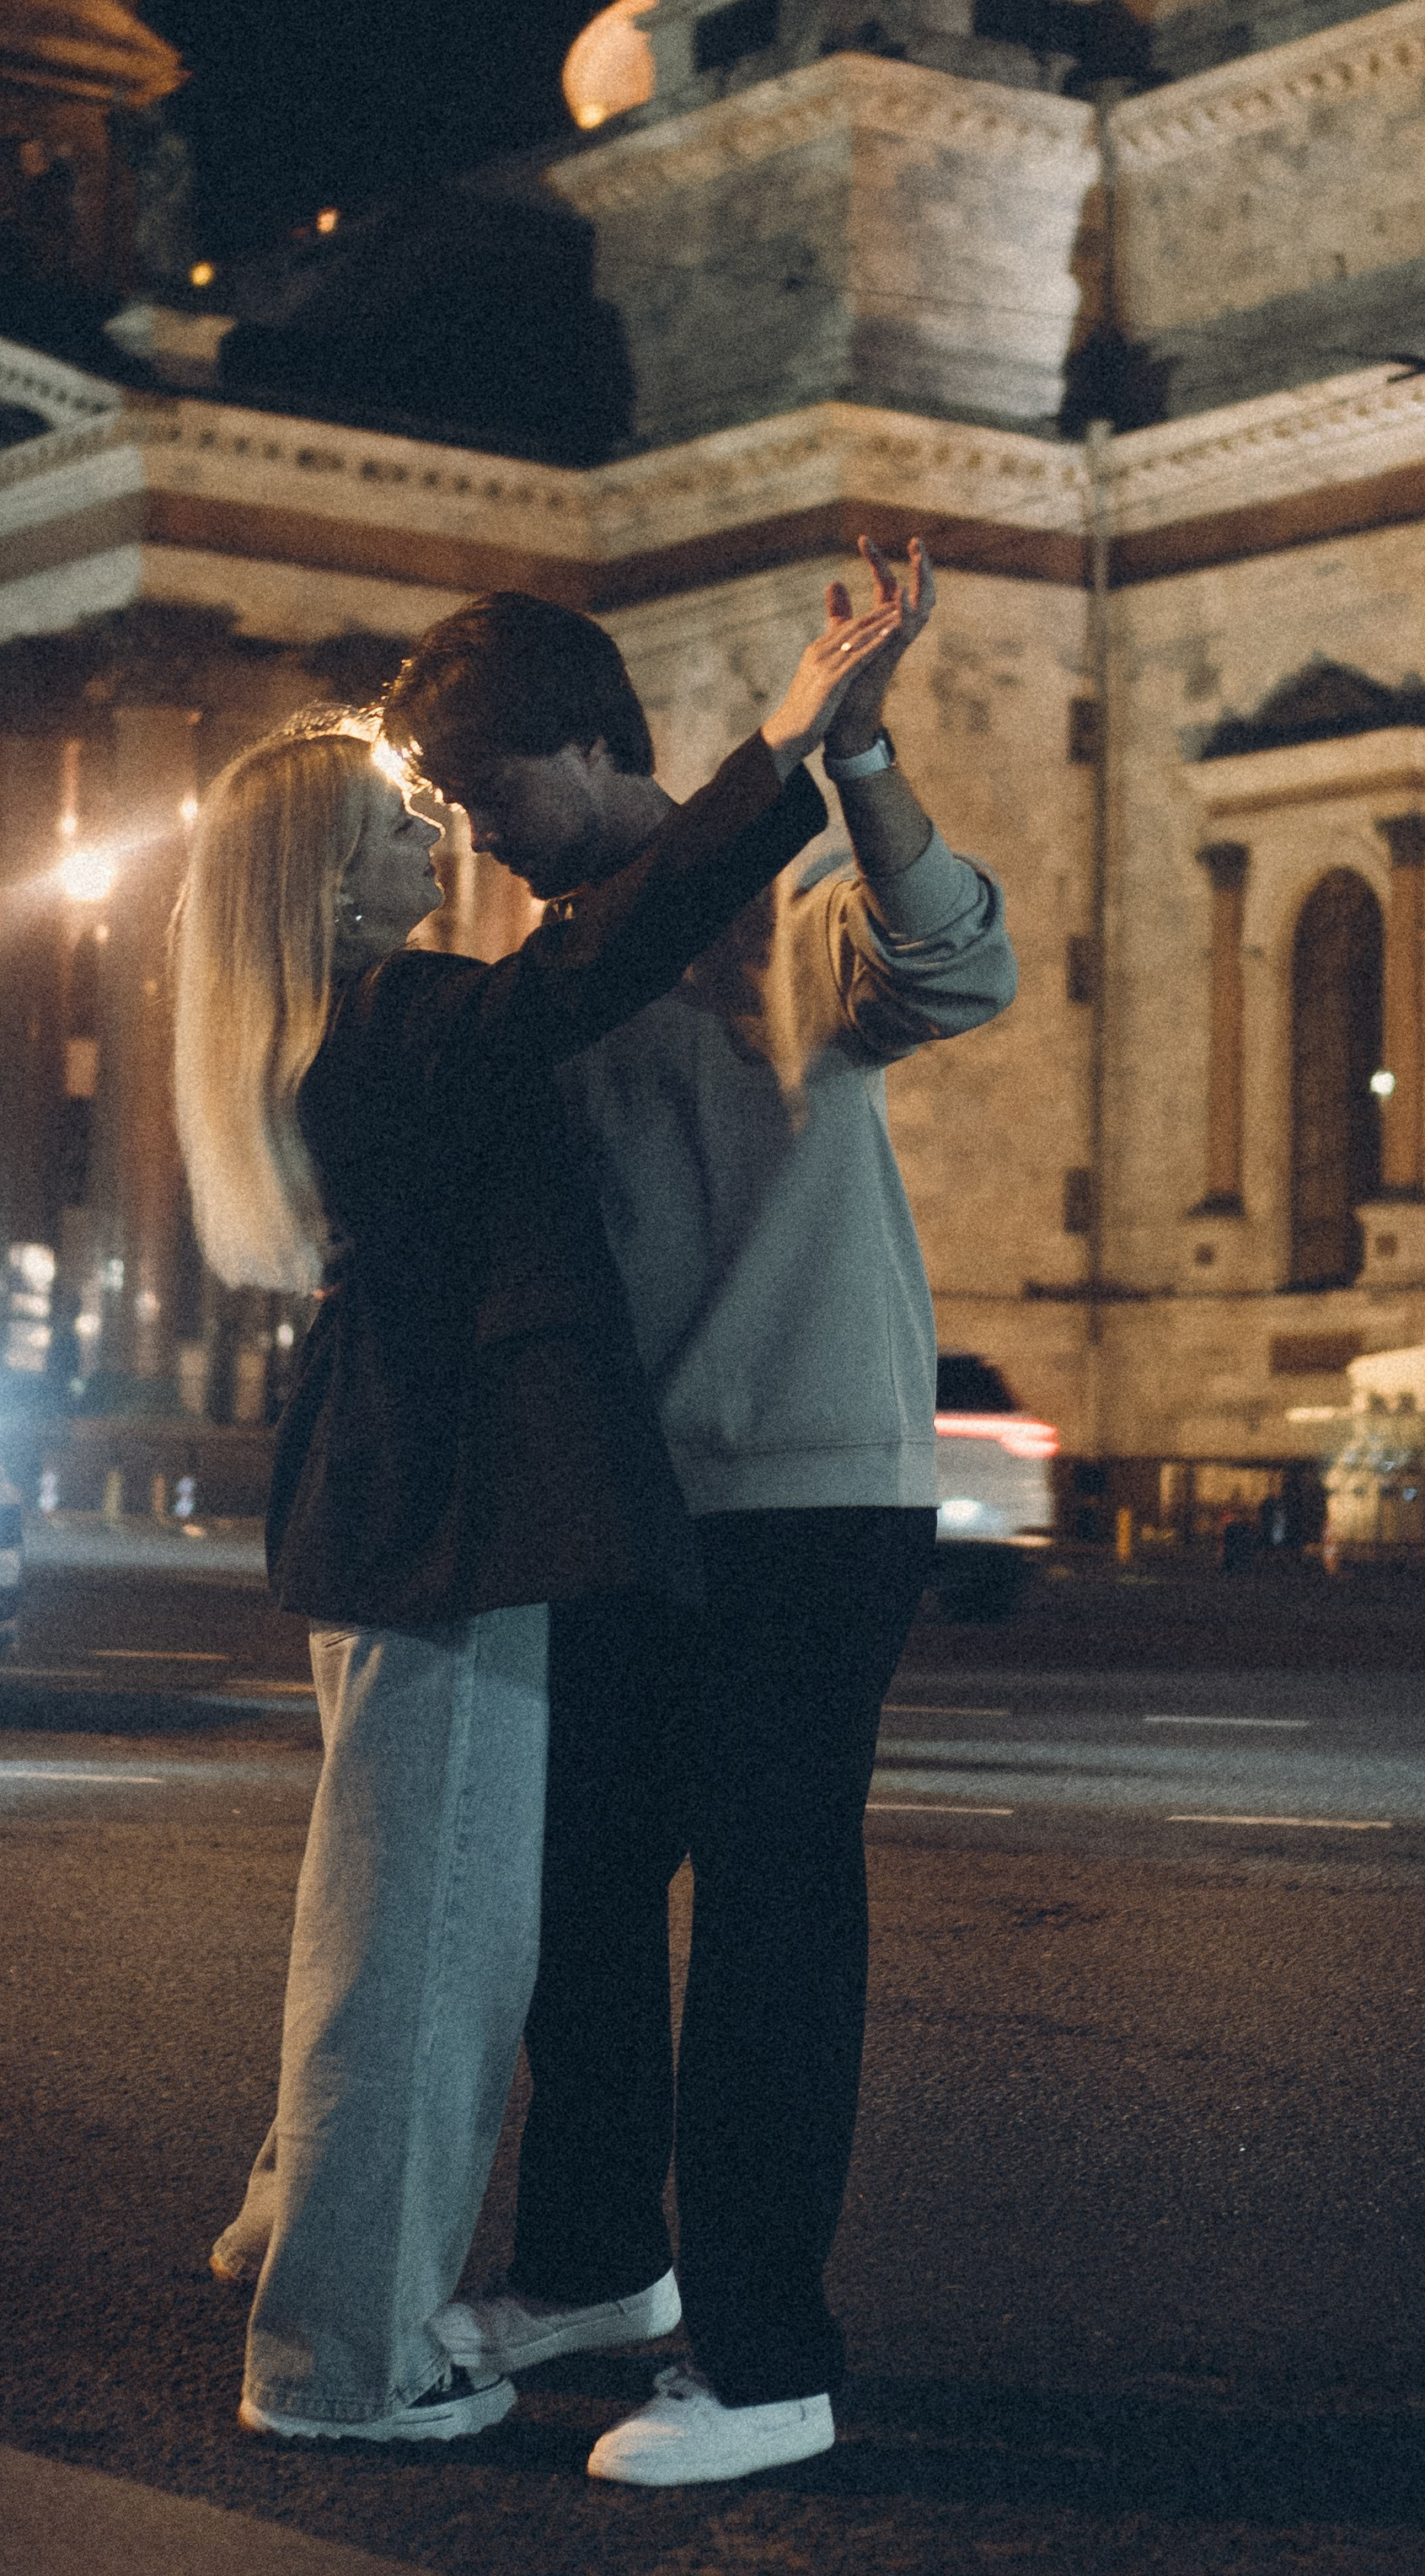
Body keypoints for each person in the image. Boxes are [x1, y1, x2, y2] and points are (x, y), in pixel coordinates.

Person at [172, 583, 912, 2448]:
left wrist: (826, 757)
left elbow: (860, 962)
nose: (442, 832)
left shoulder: (371, 1010)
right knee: (423, 1942)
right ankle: (339, 2350)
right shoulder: (409, 1009)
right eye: (395, 823)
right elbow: (586, 974)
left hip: (468, 1505)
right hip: (455, 1511)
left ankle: (395, 2273)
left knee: (457, 1921)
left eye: (448, 799)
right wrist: (790, 740)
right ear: (319, 891)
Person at [378, 536, 1017, 2488]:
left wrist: (869, 753)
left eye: (489, 797)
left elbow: (959, 967)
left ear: (590, 747)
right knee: (571, 1900)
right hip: (630, 1504)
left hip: (811, 1496)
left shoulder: (786, 908)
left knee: (761, 1922)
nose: (477, 843)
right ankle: (591, 2266)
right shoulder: (551, 975)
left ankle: (764, 2362)